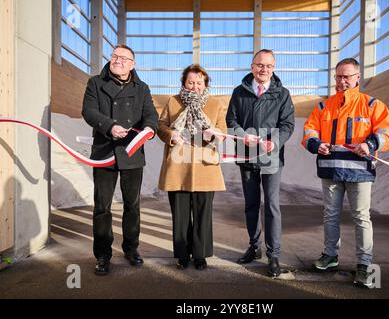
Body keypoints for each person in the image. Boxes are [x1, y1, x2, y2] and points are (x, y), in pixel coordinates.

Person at [302, 58, 389, 287]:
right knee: (330, 215)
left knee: (362, 217)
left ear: (357, 78)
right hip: (330, 170)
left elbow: (388, 133)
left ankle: (365, 265)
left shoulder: (373, 105)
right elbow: (309, 130)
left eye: (347, 76)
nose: (342, 81)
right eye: (338, 77)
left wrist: (371, 144)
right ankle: (330, 256)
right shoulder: (324, 106)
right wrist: (316, 144)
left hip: (360, 172)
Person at [82, 44, 158, 275]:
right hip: (105, 150)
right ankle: (103, 255)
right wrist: (110, 126)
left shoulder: (142, 88)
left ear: (132, 64)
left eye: (124, 58)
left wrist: (149, 130)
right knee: (102, 207)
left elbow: (151, 115)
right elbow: (89, 111)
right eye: (115, 56)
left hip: (131, 152)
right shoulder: (95, 82)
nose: (118, 60)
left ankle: (131, 248)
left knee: (132, 205)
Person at [226, 49, 295, 277]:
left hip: (271, 158)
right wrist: (241, 134)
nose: (263, 69)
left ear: (273, 69)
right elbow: (231, 119)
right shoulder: (239, 92)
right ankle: (254, 247)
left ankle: (273, 254)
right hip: (246, 156)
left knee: (272, 206)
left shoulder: (282, 94)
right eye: (259, 65)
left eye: (268, 66)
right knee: (251, 204)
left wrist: (274, 141)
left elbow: (287, 124)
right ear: (252, 66)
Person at [157, 64, 226, 270]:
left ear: (205, 83)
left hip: (206, 166)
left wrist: (213, 133)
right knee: (180, 214)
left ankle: (200, 255)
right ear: (184, 83)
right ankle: (182, 255)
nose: (195, 86)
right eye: (190, 82)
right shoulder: (173, 101)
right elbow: (160, 127)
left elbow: (223, 130)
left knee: (203, 213)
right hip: (179, 166)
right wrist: (172, 134)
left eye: (199, 82)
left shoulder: (215, 104)